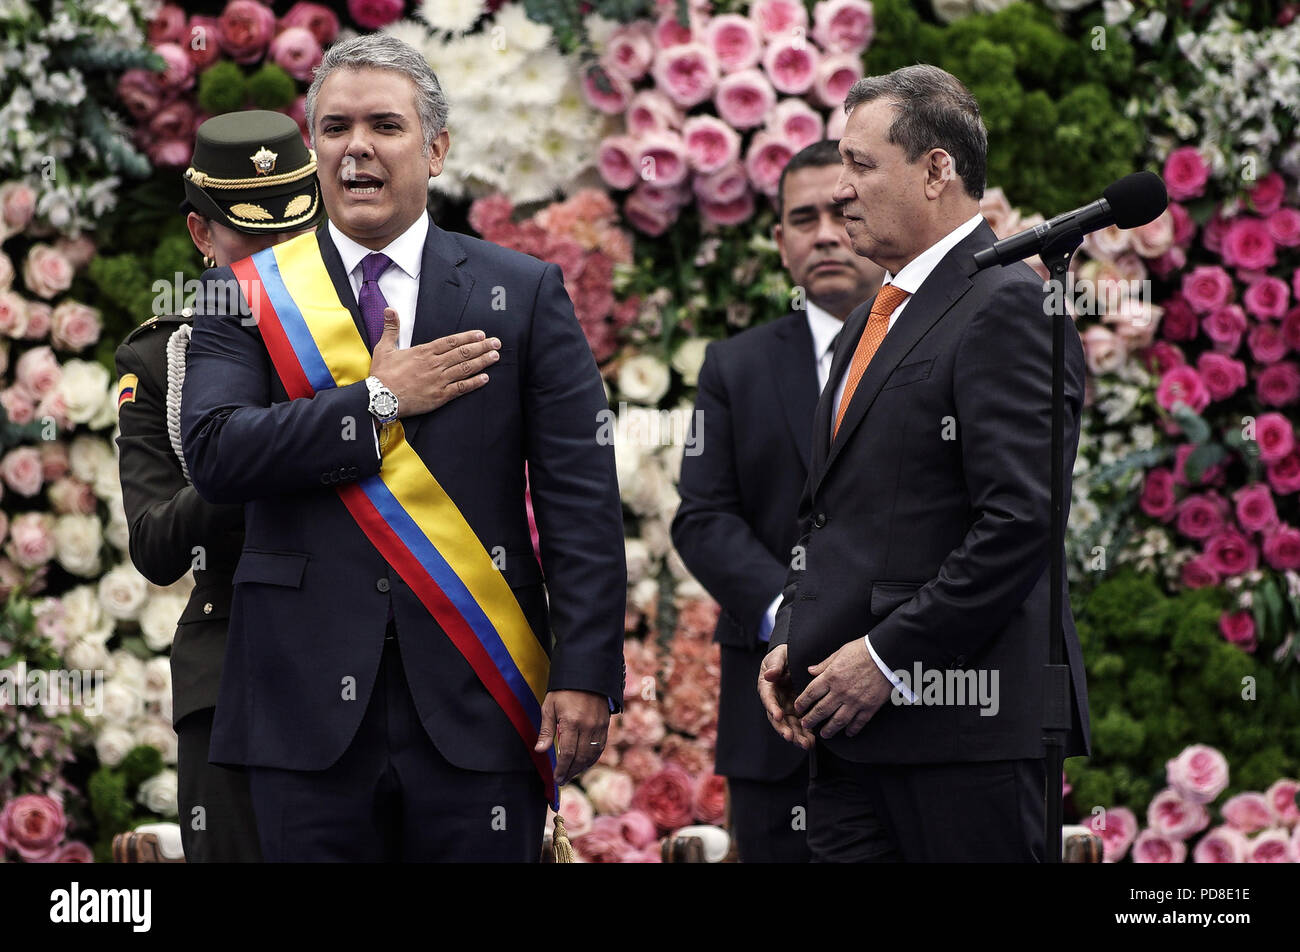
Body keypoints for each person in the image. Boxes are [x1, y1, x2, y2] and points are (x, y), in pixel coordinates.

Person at [179, 34, 626, 862]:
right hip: (300, 708)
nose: (358, 148)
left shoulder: (521, 292)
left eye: (385, 125)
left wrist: (586, 669)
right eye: (336, 127)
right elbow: (216, 452)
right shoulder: (242, 293)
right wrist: (376, 400)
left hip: (477, 694)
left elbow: (580, 501)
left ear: (437, 148)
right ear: (312, 150)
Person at [757, 65, 1091, 863]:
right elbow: (836, 510)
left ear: (937, 168)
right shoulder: (877, 314)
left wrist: (884, 659)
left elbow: (1020, 521)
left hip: (962, 739)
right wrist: (799, 632)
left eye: (861, 165)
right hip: (851, 742)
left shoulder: (1008, 301)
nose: (840, 192)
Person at [114, 109, 325, 862]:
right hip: (234, 650)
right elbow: (155, 545)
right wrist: (249, 449)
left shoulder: (377, 327)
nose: (278, 257)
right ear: (202, 236)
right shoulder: (162, 359)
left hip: (372, 641)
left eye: (294, 233)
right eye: (253, 237)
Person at [672, 141, 884, 863]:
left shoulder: (945, 349)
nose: (824, 232)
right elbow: (702, 518)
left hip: (914, 692)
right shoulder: (733, 367)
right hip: (774, 713)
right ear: (780, 242)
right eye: (802, 218)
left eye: (841, 210)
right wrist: (789, 620)